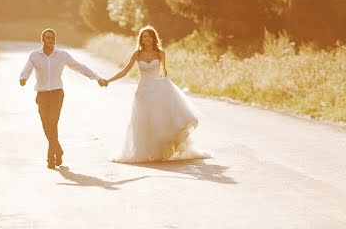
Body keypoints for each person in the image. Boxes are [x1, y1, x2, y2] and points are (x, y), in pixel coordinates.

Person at [104, 25, 208, 163]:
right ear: (141, 39)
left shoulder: (160, 53)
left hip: (158, 88)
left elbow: (163, 70)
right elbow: (124, 71)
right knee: (143, 120)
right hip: (143, 91)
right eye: (144, 36)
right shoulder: (137, 54)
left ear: (153, 38)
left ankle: (161, 151)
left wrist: (167, 85)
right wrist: (108, 80)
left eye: (149, 36)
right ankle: (145, 152)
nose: (146, 38)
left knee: (160, 119)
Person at [20, 28, 108, 169]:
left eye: (52, 38)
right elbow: (27, 69)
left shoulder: (62, 55)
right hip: (42, 96)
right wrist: (23, 78)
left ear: (55, 40)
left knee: (52, 123)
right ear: (42, 39)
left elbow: (79, 67)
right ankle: (58, 150)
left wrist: (97, 78)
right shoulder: (34, 56)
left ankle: (51, 159)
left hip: (57, 95)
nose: (50, 40)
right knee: (46, 127)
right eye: (47, 38)